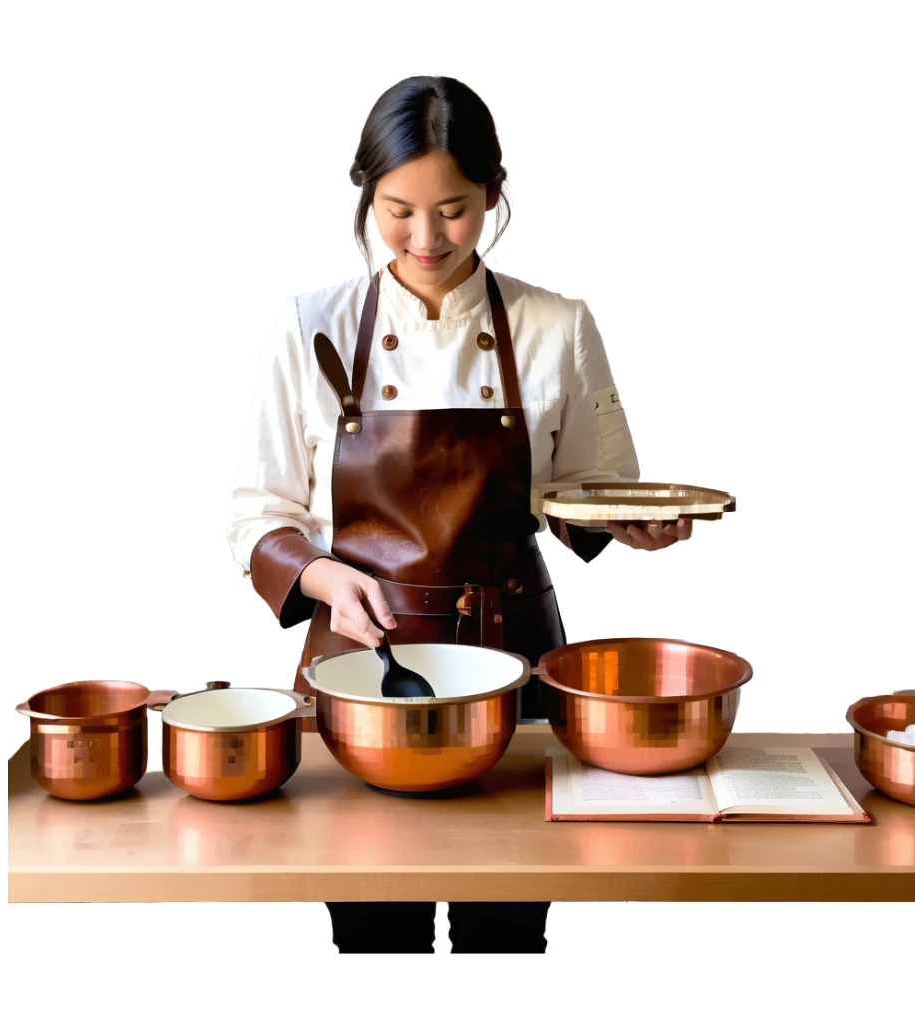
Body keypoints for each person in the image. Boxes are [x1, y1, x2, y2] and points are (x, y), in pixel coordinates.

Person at [228, 75, 694, 954]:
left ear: (493, 195)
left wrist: (627, 525)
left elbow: (586, 491)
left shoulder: (556, 324)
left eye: (455, 209)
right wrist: (324, 577)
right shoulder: (310, 326)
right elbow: (256, 512)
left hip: (510, 661)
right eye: (398, 210)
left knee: (507, 927)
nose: (426, 237)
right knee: (372, 930)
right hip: (363, 668)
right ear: (366, 194)